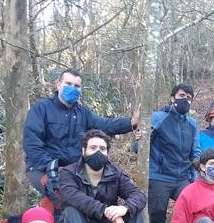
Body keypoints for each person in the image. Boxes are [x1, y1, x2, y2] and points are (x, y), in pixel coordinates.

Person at [23, 68, 139, 205]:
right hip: (42, 168)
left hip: (73, 170)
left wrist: (131, 122)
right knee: (67, 200)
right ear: (58, 85)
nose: (73, 88)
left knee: (93, 197)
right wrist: (52, 166)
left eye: (77, 86)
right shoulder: (42, 108)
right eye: (68, 84)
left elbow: (105, 125)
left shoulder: (83, 113)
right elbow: (32, 143)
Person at [148, 83, 201, 223]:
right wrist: (137, 144)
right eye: (182, 96)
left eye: (189, 98)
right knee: (157, 212)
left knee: (193, 206)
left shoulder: (192, 124)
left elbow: (196, 149)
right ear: (173, 98)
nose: (185, 100)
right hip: (160, 174)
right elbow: (143, 140)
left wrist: (197, 165)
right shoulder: (158, 117)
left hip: (183, 176)